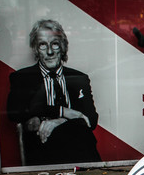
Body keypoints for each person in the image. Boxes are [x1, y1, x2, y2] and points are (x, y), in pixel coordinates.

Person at [7, 19, 101, 165]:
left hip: (79, 148)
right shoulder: (23, 78)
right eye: (43, 45)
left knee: (84, 136)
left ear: (62, 47)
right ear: (36, 49)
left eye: (55, 44)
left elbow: (91, 120)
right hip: (44, 150)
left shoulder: (79, 78)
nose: (50, 51)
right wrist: (63, 111)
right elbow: (14, 113)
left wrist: (60, 121)